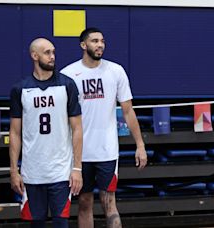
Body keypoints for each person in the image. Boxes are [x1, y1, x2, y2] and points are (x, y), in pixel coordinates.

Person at [60, 27, 148, 228]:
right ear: (83, 45)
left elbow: (128, 111)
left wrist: (140, 145)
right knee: (84, 203)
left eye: (102, 41)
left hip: (107, 151)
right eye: (94, 41)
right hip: (80, 153)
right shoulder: (68, 74)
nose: (100, 45)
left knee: (109, 204)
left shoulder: (115, 71)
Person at [9, 38, 83, 228]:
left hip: (61, 171)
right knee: (37, 223)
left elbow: (77, 129)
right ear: (34, 56)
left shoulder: (67, 85)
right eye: (47, 53)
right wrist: (13, 170)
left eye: (53, 52)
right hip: (32, 172)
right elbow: (15, 133)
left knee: (61, 223)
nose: (52, 57)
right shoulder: (20, 89)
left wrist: (77, 168)